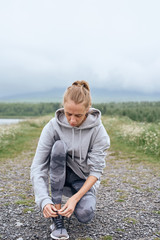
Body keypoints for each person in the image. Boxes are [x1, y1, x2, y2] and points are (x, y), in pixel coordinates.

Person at [30, 80, 110, 239]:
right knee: (59, 147)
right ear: (63, 108)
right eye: (68, 114)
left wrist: (75, 198)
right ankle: (56, 217)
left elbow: (96, 172)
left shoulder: (99, 132)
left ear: (87, 109)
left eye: (78, 115)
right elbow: (38, 167)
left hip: (82, 179)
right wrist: (44, 201)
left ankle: (74, 202)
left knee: (85, 215)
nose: (72, 120)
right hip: (58, 173)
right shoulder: (52, 126)